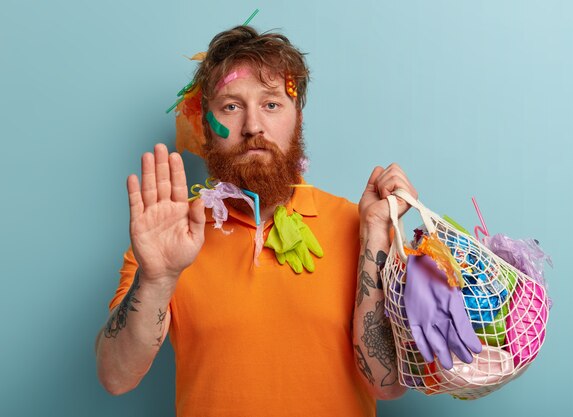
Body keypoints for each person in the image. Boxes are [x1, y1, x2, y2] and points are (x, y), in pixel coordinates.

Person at [95, 25, 419, 416]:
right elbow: (116, 377)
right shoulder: (167, 240)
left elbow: (387, 386)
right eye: (230, 106)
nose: (253, 127)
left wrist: (374, 235)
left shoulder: (357, 225)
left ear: (296, 117)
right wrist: (158, 279)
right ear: (204, 125)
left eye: (271, 104)